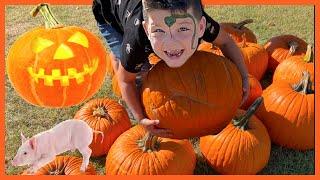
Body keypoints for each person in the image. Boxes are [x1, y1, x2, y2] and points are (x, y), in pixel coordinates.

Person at [92, 0, 249, 137]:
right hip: (109, 12)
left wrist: (244, 77)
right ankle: (118, 58)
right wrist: (140, 117)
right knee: (132, 68)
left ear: (201, 27)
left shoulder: (203, 23)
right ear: (147, 30)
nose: (171, 43)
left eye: (182, 29)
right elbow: (126, 81)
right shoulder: (136, 41)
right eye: (159, 31)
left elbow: (226, 42)